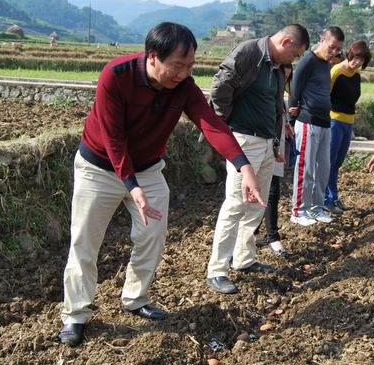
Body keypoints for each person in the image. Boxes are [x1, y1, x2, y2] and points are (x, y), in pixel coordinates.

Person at [57, 22, 264, 347]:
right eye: (178, 65)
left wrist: (244, 166)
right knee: (85, 242)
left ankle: (135, 298)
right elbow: (114, 138)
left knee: (151, 236)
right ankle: (76, 315)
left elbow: (211, 124)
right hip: (99, 167)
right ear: (152, 57)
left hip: (148, 168)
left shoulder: (183, 88)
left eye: (190, 66)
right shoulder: (117, 75)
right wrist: (131, 185)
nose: (183, 73)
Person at [205, 25, 310, 294]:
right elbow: (220, 88)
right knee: (236, 203)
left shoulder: (274, 66)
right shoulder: (249, 52)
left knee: (256, 203)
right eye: (294, 54)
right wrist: (226, 124)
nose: (293, 60)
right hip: (244, 140)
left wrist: (276, 139)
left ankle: (243, 259)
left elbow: (275, 104)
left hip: (265, 142)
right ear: (286, 42)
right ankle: (217, 270)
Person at [288, 26, 345, 226]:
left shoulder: (325, 64)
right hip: (307, 121)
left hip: (325, 122)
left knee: (323, 167)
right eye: (332, 47)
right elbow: (294, 92)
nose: (334, 52)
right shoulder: (307, 62)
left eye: (338, 49)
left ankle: (317, 207)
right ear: (322, 40)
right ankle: (299, 210)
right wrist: (290, 118)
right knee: (306, 167)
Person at [326, 40, 372, 215]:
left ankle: (334, 197)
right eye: (357, 58)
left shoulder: (356, 75)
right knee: (329, 161)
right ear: (349, 55)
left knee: (338, 162)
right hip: (334, 120)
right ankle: (326, 199)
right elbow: (326, 94)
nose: (358, 63)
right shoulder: (336, 71)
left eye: (362, 60)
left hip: (348, 121)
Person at [255, 63, 295, 258]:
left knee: (272, 189)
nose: (284, 81)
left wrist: (286, 122)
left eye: (287, 78)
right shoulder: (263, 92)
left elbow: (281, 112)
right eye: (282, 77)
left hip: (276, 144)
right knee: (261, 191)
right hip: (260, 145)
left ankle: (267, 234)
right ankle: (264, 235)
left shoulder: (279, 96)